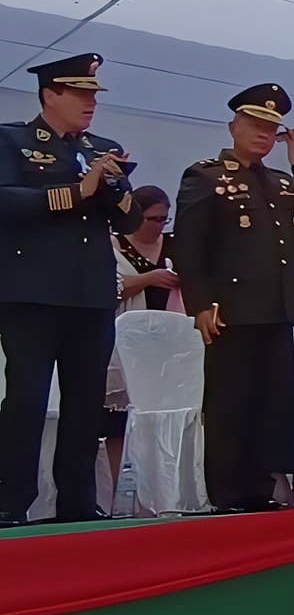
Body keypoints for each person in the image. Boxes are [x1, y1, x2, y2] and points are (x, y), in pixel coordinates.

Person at [175, 84, 294, 512]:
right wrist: (201, 303)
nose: (263, 134)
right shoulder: (206, 175)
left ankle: (259, 488)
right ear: (234, 126)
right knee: (230, 401)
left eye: (271, 128)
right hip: (230, 308)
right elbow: (189, 246)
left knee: (271, 401)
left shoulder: (281, 181)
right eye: (255, 125)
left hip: (276, 308)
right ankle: (227, 492)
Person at [0, 53, 142, 525]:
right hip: (32, 293)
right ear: (49, 95)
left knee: (86, 403)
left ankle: (78, 502)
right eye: (80, 94)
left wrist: (114, 184)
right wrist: (79, 190)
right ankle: (10, 501)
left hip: (92, 294)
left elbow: (130, 220)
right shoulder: (13, 140)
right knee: (27, 399)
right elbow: (8, 201)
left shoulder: (103, 147)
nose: (90, 104)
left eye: (94, 95)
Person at [104, 185, 178, 487]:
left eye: (164, 219)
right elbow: (106, 288)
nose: (159, 225)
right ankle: (114, 488)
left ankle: (161, 487)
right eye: (153, 219)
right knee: (116, 423)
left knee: (163, 418)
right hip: (124, 344)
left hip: (167, 345)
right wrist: (148, 279)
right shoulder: (111, 244)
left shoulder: (175, 245)